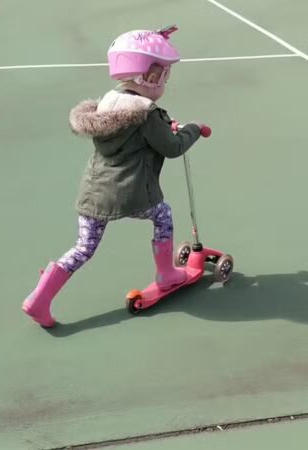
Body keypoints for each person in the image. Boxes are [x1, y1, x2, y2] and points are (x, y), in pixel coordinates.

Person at [22, 25, 206, 328]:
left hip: (94, 190)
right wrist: (194, 129)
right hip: (132, 193)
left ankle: (39, 299)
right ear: (146, 78)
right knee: (162, 216)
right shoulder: (147, 112)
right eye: (162, 75)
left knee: (83, 247)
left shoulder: (107, 103)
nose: (164, 82)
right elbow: (172, 147)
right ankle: (167, 274)